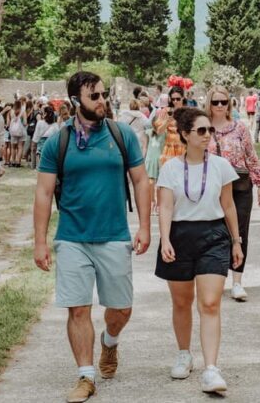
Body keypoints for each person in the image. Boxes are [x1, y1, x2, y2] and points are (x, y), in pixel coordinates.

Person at [33, 71, 151, 403]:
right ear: (75, 101)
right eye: (94, 96)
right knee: (78, 309)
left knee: (121, 309)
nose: (103, 101)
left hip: (114, 234)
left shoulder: (121, 134)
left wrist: (145, 226)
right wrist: (40, 241)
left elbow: (141, 181)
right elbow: (43, 193)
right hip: (72, 236)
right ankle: (86, 376)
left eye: (103, 94)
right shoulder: (59, 141)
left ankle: (110, 341)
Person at [155, 107, 244, 394]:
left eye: (210, 130)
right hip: (180, 236)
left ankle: (211, 369)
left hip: (213, 235)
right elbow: (166, 207)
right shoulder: (170, 168)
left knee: (210, 303)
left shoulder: (220, 166)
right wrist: (165, 239)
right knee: (181, 303)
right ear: (185, 134)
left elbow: (229, 206)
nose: (207, 135)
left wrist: (236, 240)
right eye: (201, 131)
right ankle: (184, 353)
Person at [206, 86, 260, 301]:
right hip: (212, 188)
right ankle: (216, 277)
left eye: (224, 102)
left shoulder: (239, 128)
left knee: (239, 233)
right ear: (209, 105)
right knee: (215, 232)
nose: (220, 106)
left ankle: (237, 281)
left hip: (240, 186)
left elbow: (251, 156)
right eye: (216, 102)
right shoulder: (204, 128)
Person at [156, 86, 187, 167]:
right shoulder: (166, 111)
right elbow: (159, 131)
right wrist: (167, 121)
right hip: (170, 147)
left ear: (183, 98)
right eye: (173, 99)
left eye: (178, 99)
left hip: (184, 147)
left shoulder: (188, 112)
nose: (175, 101)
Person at [6, 100, 27, 167]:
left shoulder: (10, 112)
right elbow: (25, 123)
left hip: (13, 132)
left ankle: (13, 161)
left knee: (13, 147)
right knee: (20, 147)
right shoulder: (23, 112)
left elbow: (8, 124)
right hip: (21, 132)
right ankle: (18, 162)